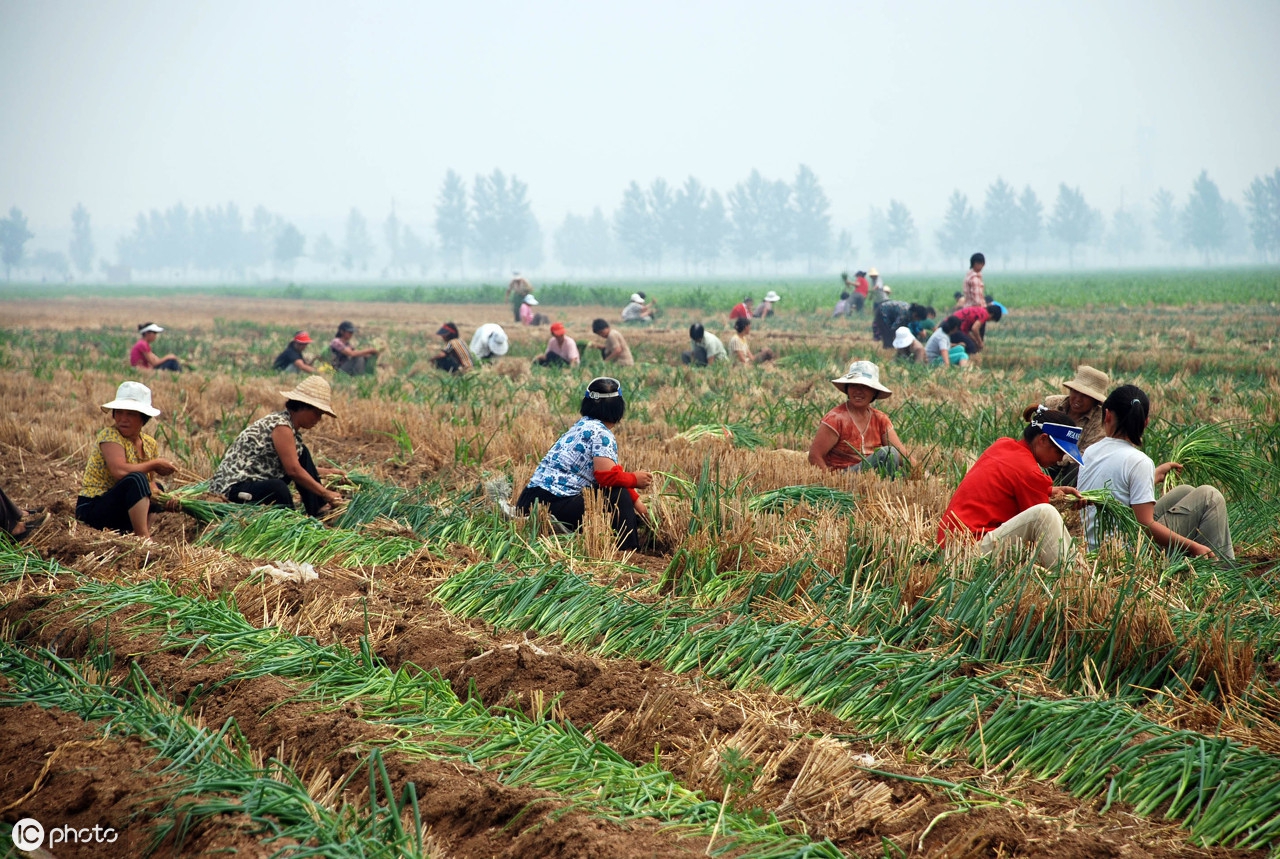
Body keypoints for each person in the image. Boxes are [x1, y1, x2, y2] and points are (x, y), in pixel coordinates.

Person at [1078, 385, 1234, 560]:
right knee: (1209, 497)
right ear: (1146, 423)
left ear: (1107, 415)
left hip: (1095, 546)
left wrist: (1152, 476)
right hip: (1125, 553)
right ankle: (1221, 569)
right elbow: (1145, 524)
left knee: (1185, 491)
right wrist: (1193, 547)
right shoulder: (1138, 461)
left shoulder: (1090, 451)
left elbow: (1113, 492)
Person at [937, 406, 1084, 568]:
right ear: (1042, 439)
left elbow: (1012, 485)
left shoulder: (1003, 445)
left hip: (950, 548)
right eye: (1059, 451)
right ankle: (1070, 575)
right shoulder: (1030, 472)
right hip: (967, 553)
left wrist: (1052, 492)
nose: (1060, 459)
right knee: (1045, 513)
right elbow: (1040, 529)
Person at [516, 377, 651, 551]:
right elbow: (607, 479)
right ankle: (629, 550)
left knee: (618, 491)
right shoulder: (603, 435)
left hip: (530, 501)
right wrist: (634, 479)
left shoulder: (581, 426)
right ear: (619, 408)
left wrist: (637, 503)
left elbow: (611, 475)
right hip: (551, 506)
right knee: (618, 495)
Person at [210, 376, 344, 517]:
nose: (318, 419)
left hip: (254, 482)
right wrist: (325, 493)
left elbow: (295, 466)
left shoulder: (291, 430)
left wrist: (330, 472)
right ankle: (289, 523)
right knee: (278, 488)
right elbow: (293, 471)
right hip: (232, 489)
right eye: (316, 413)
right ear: (303, 406)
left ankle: (318, 508)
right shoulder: (281, 426)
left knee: (302, 453)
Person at [75, 381, 178, 538]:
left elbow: (149, 485)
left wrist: (166, 500)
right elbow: (120, 470)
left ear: (143, 418)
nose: (123, 419)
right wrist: (155, 463)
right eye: (119, 412)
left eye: (131, 414)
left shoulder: (149, 444)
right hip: (94, 508)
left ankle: (141, 532)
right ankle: (143, 537)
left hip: (121, 511)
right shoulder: (110, 436)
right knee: (135, 479)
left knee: (157, 487)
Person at [808, 361, 914, 476]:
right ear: (847, 389)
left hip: (872, 477)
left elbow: (902, 454)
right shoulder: (835, 419)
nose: (858, 391)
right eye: (854, 385)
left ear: (874, 392)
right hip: (845, 477)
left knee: (907, 476)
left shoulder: (880, 419)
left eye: (865, 387)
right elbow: (815, 456)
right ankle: (888, 488)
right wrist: (830, 483)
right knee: (887, 453)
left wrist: (923, 474)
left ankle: (886, 489)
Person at [1039, 365, 1110, 485]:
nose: (1078, 399)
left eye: (1085, 396)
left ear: (1095, 400)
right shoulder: (1052, 404)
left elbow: (1088, 454)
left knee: (1077, 470)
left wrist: (1058, 457)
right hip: (1041, 458)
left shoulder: (1100, 420)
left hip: (1068, 468)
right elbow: (1035, 431)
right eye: (1075, 392)